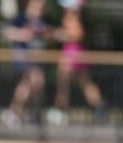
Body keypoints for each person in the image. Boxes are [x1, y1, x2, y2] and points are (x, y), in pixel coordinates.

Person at [48, 0, 106, 125]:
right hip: (76, 53)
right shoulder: (72, 17)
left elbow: (77, 35)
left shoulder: (73, 18)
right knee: (84, 83)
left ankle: (61, 111)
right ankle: (99, 106)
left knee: (64, 85)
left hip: (72, 53)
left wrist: (61, 35)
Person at [2, 0, 49, 128]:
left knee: (33, 85)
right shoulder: (21, 18)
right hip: (23, 57)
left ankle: (27, 113)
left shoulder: (41, 20)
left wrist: (45, 34)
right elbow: (8, 33)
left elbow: (49, 34)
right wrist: (24, 34)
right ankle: (17, 112)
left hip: (35, 58)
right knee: (33, 81)